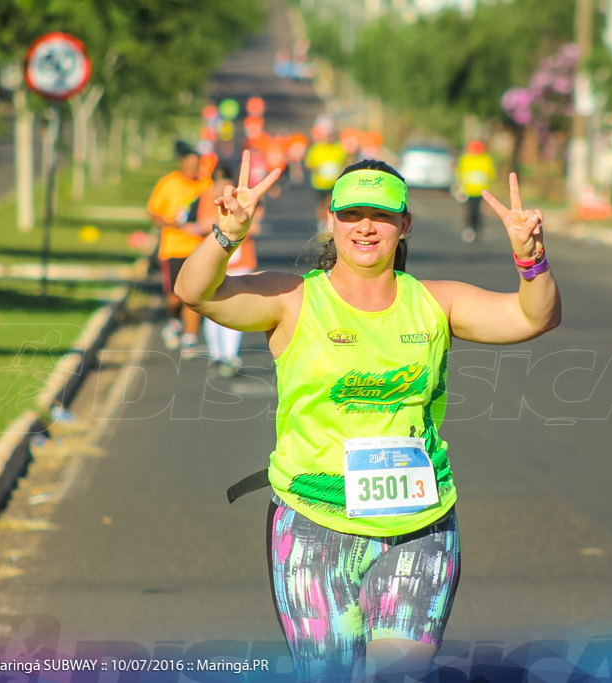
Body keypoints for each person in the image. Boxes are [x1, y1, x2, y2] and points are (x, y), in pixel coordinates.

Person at [176, 151, 561, 682]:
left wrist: (530, 257)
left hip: (418, 527)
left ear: (404, 225)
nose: (365, 227)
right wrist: (226, 235)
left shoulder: (434, 303)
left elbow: (533, 315)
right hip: (312, 521)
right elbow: (194, 292)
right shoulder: (291, 299)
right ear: (330, 221)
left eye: (381, 215)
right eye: (352, 214)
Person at [147, 141, 215, 353]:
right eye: (190, 164)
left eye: (197, 164)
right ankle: (174, 320)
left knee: (192, 294)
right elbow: (154, 214)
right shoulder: (168, 183)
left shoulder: (205, 185)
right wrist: (174, 225)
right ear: (182, 164)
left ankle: (189, 336)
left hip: (198, 249)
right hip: (173, 248)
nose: (194, 168)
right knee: (175, 296)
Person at [196, 163, 261, 377]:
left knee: (236, 308)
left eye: (226, 183)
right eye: (218, 183)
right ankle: (217, 354)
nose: (222, 187)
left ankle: (231, 355)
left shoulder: (241, 196)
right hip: (215, 261)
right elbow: (203, 223)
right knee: (213, 308)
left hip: (241, 260)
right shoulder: (208, 198)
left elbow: (256, 222)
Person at [455, 139, 496, 243]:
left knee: (477, 211)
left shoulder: (485, 159)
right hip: (468, 191)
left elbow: (490, 174)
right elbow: (459, 173)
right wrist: (459, 187)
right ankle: (469, 229)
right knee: (470, 211)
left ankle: (476, 229)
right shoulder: (466, 159)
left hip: (481, 191)